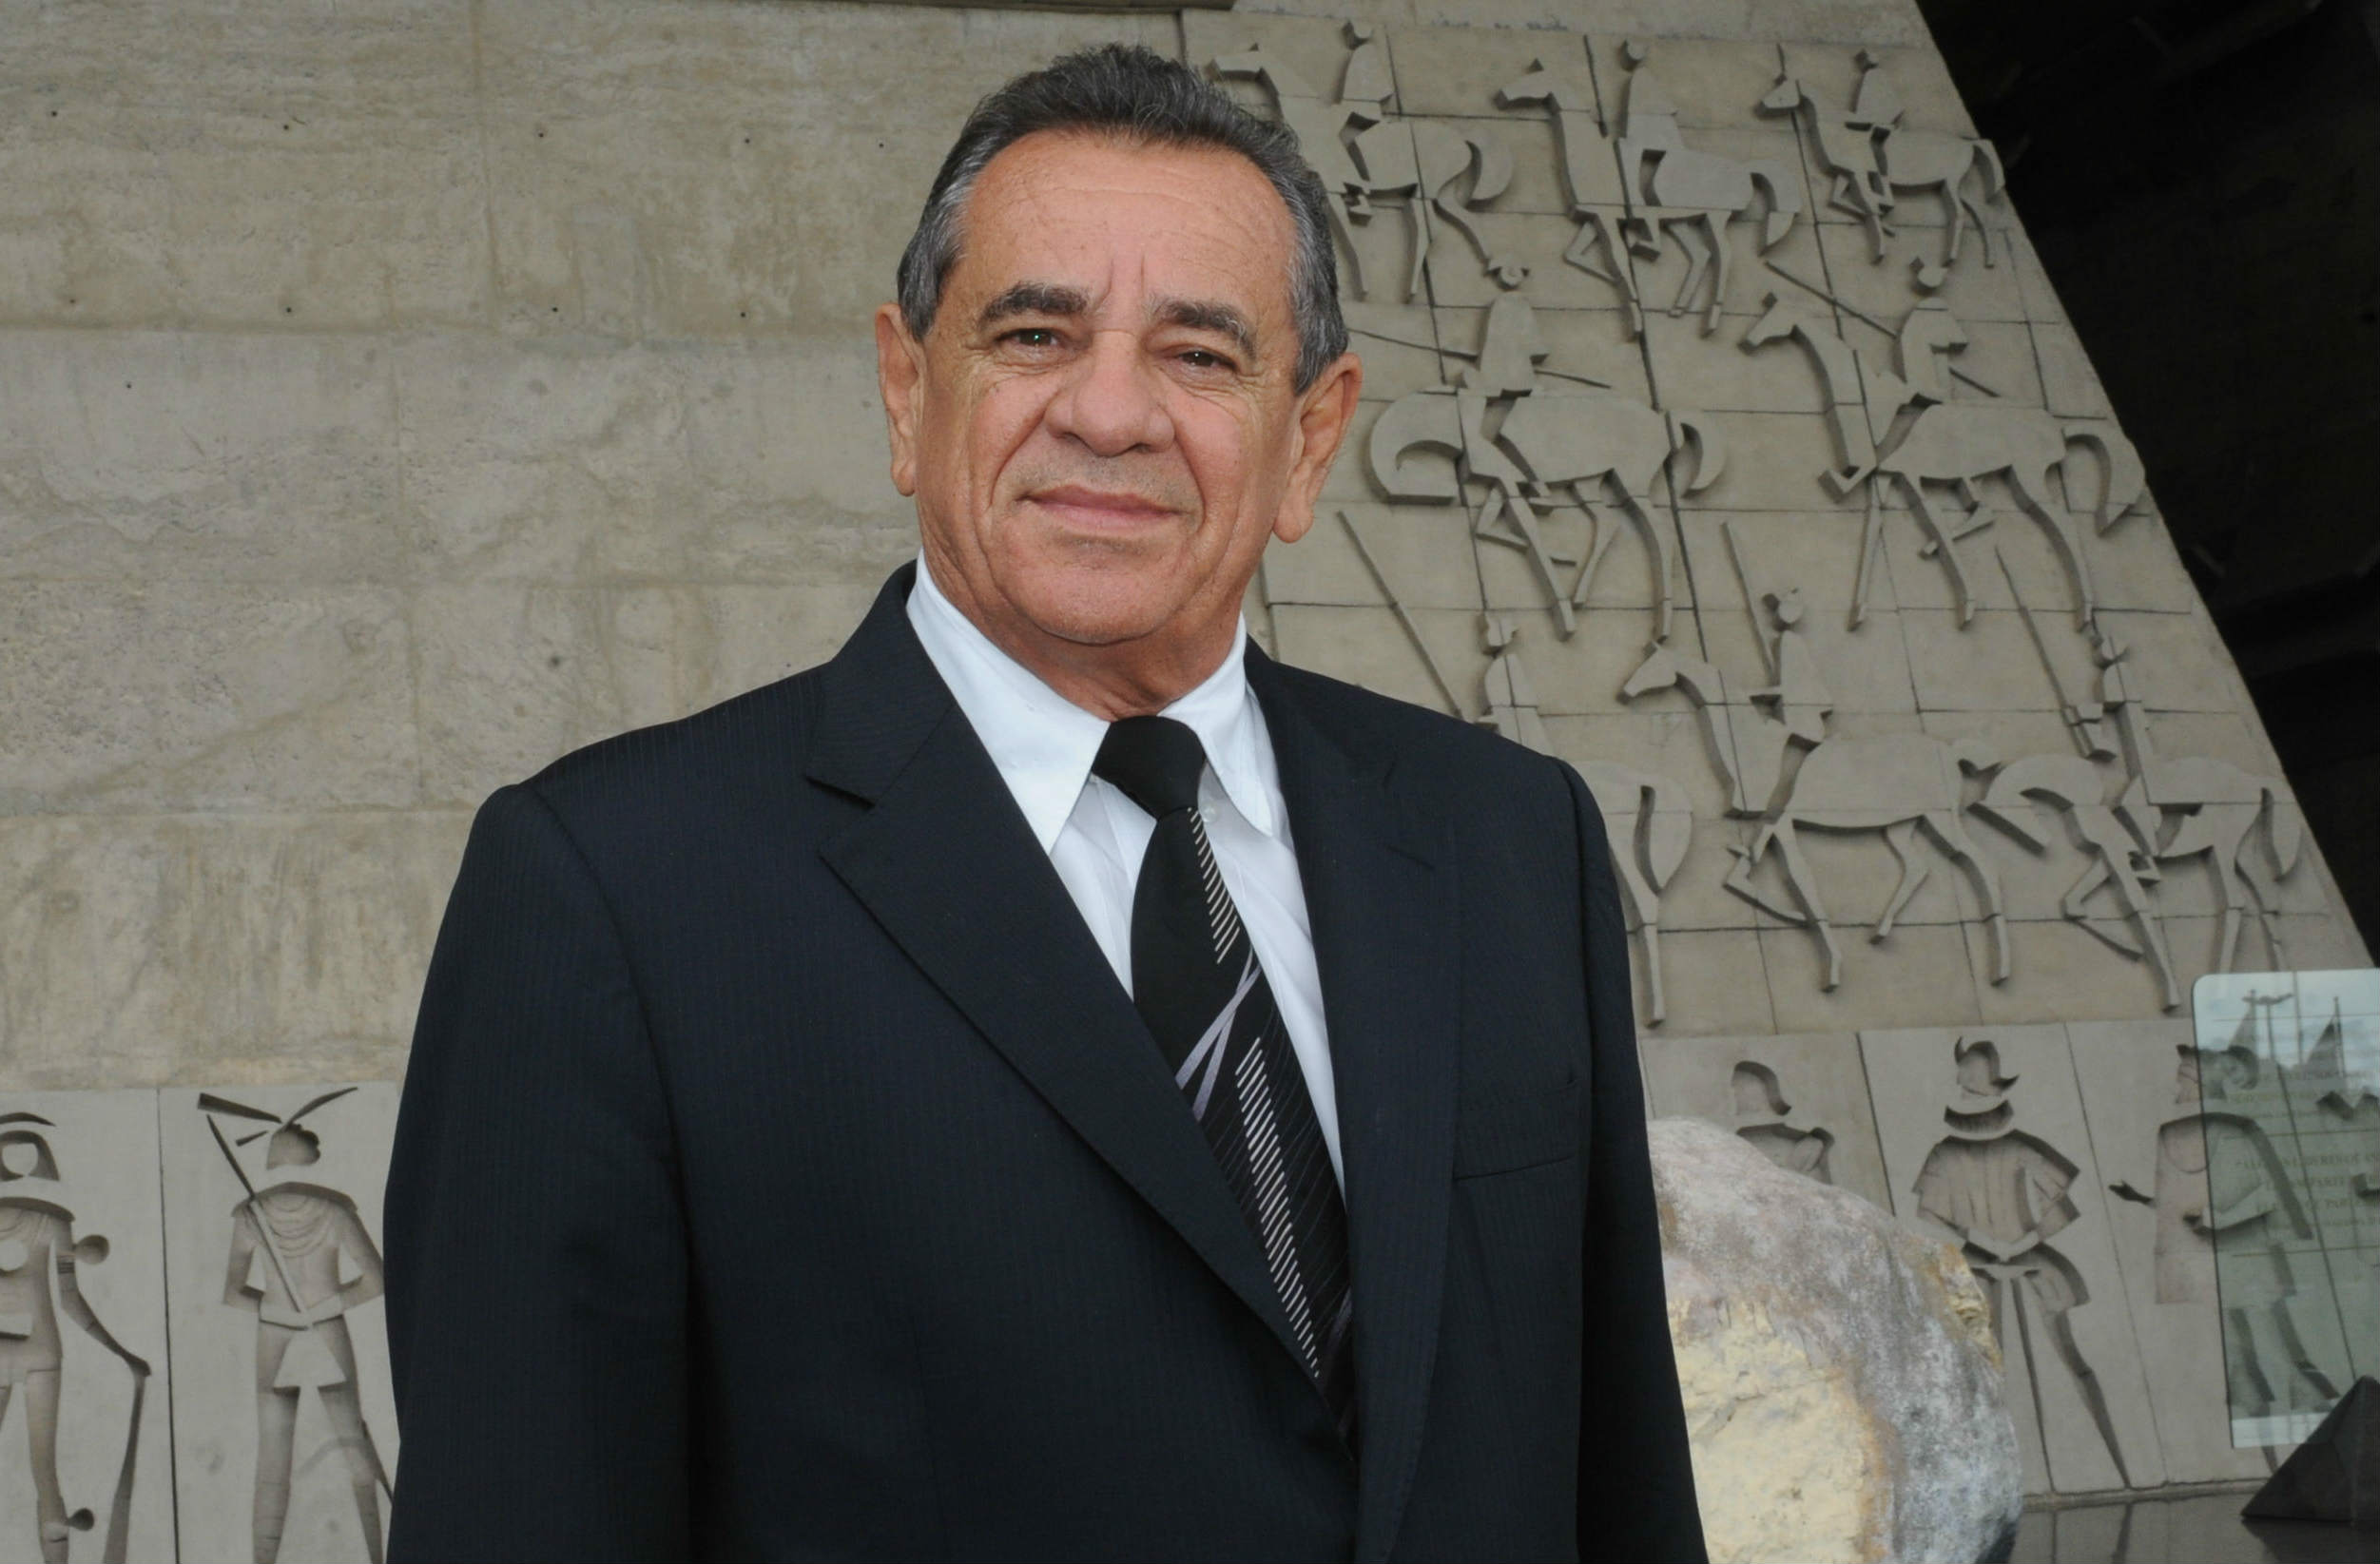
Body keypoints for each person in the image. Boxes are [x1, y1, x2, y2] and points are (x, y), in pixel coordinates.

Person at [384, 43, 1701, 1562]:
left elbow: (1619, 1483)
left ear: (1311, 436)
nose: (1112, 410)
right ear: (907, 389)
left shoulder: (1510, 840)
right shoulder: (611, 894)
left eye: (1199, 354)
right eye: (1034, 333)